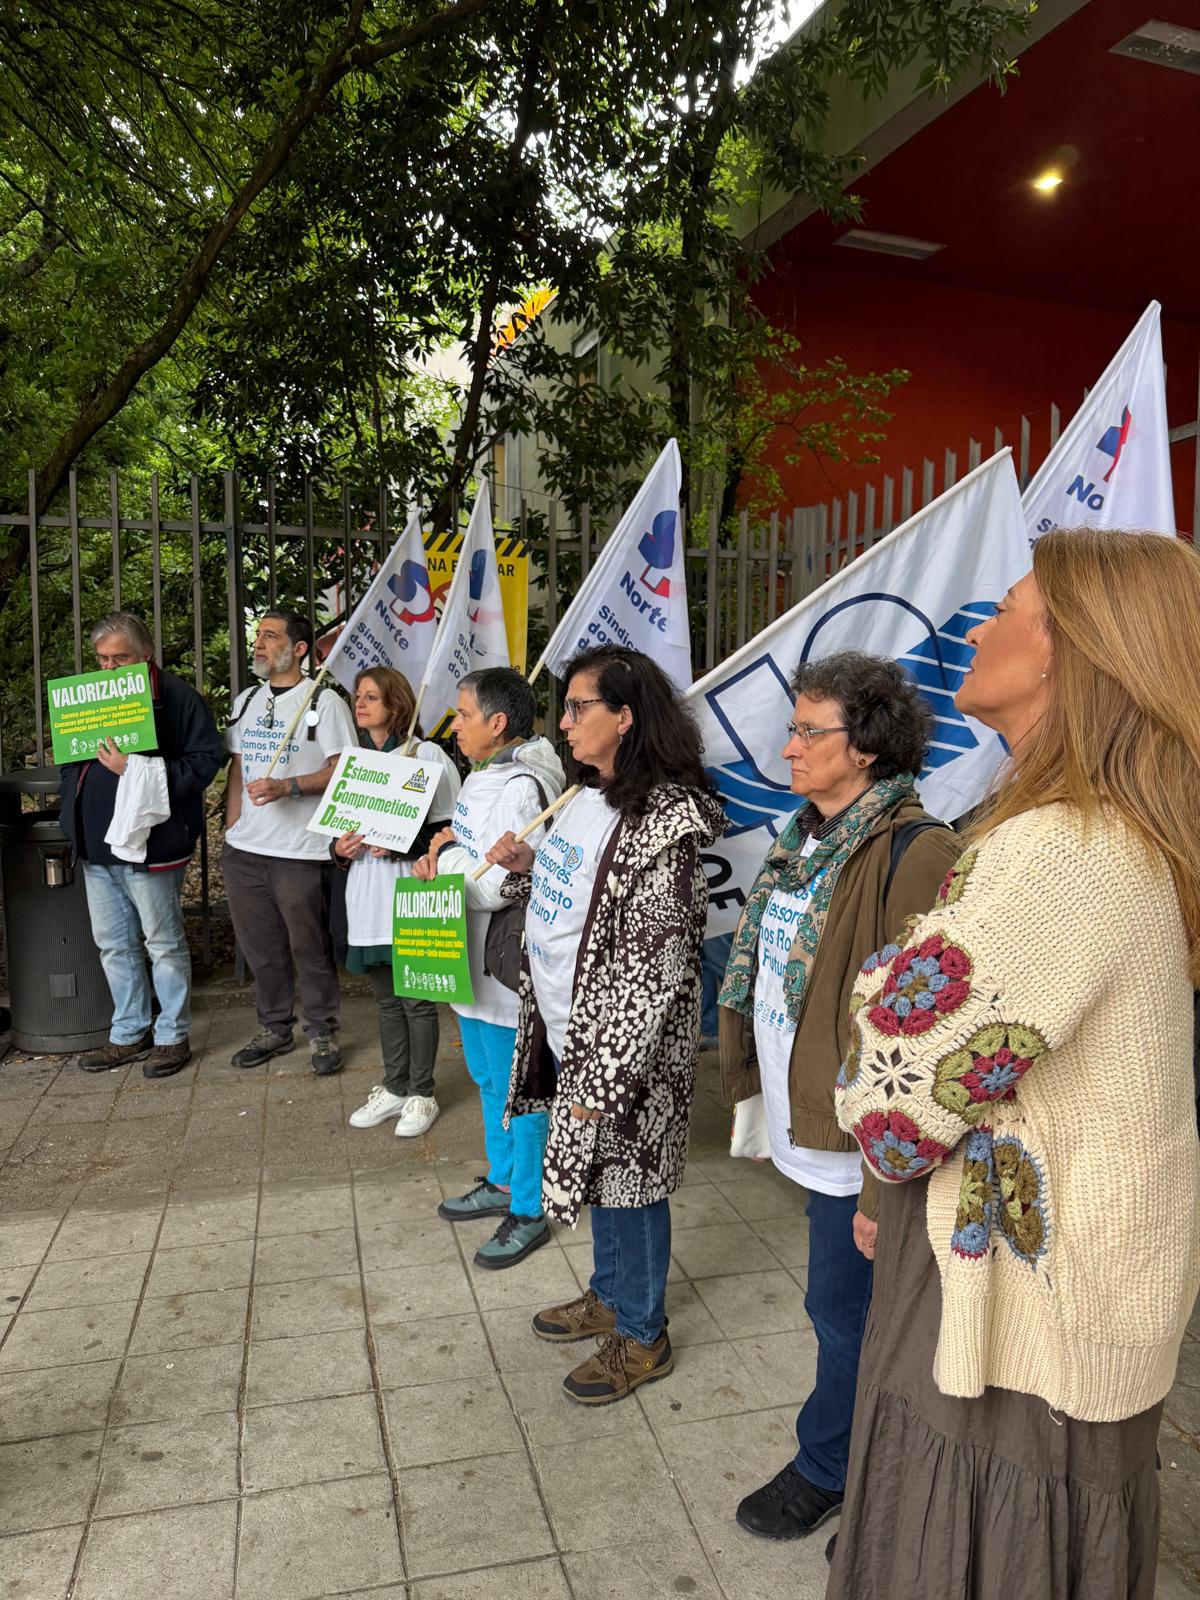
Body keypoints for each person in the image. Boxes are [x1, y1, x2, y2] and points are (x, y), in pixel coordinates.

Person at [830, 528, 1200, 1599]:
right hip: (1063, 1291)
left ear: (1071, 649)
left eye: (1007, 609)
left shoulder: (1062, 851)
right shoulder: (1110, 834)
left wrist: (881, 984)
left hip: (1019, 1318)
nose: (980, 627)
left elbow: (895, 1103)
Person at [716, 651, 959, 1538]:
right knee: (849, 1309)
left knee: (847, 1311)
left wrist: (877, 1185)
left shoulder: (915, 851)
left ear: (866, 746)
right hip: (813, 1124)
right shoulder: (806, 838)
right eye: (793, 729)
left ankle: (838, 1473)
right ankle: (868, 1468)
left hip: (863, 1150)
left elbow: (918, 1033)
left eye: (808, 732)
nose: (788, 748)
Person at [486, 644, 726, 1404]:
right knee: (601, 1173)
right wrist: (529, 869)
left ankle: (643, 1334)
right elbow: (582, 899)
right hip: (574, 1026)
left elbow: (654, 966)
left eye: (578, 707)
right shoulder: (587, 796)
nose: (563, 723)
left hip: (627, 1048)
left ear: (624, 717)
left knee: (633, 1181)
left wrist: (601, 1075)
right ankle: (611, 1294)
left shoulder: (666, 825)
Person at [413, 667, 565, 1268]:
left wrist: (448, 852)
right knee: (487, 1077)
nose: (455, 725)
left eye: (465, 714)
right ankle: (503, 1181)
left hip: (504, 970)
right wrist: (437, 861)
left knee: (519, 1091)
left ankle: (529, 1206)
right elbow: (468, 863)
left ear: (497, 723)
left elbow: (500, 885)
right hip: (467, 960)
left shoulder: (525, 784)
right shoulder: (485, 774)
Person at [61, 612, 223, 1079]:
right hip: (97, 844)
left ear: (146, 653)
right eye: (102, 659)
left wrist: (133, 768)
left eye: (120, 658)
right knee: (113, 945)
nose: (109, 667)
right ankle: (129, 1032)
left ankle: (172, 1036)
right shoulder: (89, 698)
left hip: (154, 845)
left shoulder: (177, 697)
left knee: (163, 943)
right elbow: (72, 759)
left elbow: (205, 763)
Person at [223, 610, 356, 1075]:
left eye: (270, 636)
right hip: (246, 850)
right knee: (261, 948)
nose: (259, 643)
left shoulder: (324, 702)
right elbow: (239, 765)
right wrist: (232, 827)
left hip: (300, 851)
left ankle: (322, 1030)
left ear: (298, 649)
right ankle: (275, 1027)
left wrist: (290, 787)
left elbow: (344, 768)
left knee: (309, 947)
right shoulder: (247, 700)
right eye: (258, 635)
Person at [332, 667, 461, 1137]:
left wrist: (402, 845)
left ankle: (422, 1093)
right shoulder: (358, 761)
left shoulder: (425, 755)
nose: (360, 703)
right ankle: (395, 1086)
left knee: (416, 998)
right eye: (358, 696)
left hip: (410, 887)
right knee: (386, 1000)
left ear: (397, 704)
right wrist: (339, 848)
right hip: (367, 892)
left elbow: (452, 829)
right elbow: (337, 830)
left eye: (372, 696)